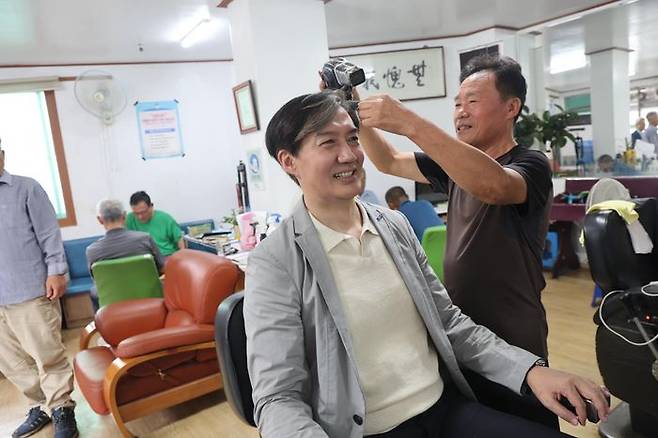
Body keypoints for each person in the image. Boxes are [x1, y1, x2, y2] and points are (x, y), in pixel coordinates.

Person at [244, 91, 609, 438]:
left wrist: (530, 371)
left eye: (353, 139)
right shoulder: (276, 262)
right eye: (328, 143)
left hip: (443, 410)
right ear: (288, 161)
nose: (350, 155)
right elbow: (278, 398)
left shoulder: (394, 226)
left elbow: (448, 322)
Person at [355, 55, 556, 426]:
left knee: (523, 425)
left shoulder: (532, 163)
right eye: (457, 103)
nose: (461, 112)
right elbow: (386, 161)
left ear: (512, 107)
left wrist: (409, 122)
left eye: (473, 102)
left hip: (512, 331)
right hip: (462, 330)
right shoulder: (452, 167)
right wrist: (354, 107)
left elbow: (494, 185)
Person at [0, 139, 78, 438]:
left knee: (47, 354)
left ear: (2, 154)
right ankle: (40, 406)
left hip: (29, 289)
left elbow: (49, 234)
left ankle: (62, 407)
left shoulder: (26, 188)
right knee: (11, 361)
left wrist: (57, 271)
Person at [125, 191, 184, 258]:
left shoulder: (165, 218)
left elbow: (179, 239)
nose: (140, 217)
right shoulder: (129, 219)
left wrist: (182, 258)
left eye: (143, 212)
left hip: (166, 255)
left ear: (151, 206)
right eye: (136, 213)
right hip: (144, 257)